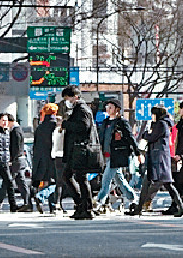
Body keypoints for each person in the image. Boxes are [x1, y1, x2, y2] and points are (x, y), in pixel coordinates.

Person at [129, 106, 183, 216]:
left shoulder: (161, 124)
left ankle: (181, 205)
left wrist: (146, 134)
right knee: (152, 183)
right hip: (157, 158)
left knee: (165, 184)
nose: (151, 117)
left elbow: (152, 137)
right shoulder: (162, 124)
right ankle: (139, 207)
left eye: (153, 114)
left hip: (159, 159)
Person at [95, 100, 140, 212]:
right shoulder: (105, 122)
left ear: (117, 109)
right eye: (107, 107)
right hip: (105, 155)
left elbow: (130, 137)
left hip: (117, 155)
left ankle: (98, 202)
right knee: (119, 180)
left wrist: (137, 152)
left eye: (111, 107)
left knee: (106, 179)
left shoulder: (121, 122)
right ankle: (133, 198)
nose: (108, 109)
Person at [61, 85, 96, 220]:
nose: (67, 101)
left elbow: (83, 127)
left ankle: (86, 207)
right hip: (75, 149)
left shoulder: (82, 109)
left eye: (68, 98)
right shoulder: (77, 109)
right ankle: (81, 205)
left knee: (79, 178)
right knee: (71, 177)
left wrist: (66, 124)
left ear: (76, 96)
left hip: (80, 149)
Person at [0, 113, 21, 213]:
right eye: (3, 120)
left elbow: (7, 148)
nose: (5, 122)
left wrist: (8, 159)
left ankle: (13, 206)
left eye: (6, 120)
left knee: (9, 183)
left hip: (4, 162)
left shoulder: (7, 132)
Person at [31, 104, 58, 214]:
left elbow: (35, 145)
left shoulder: (40, 127)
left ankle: (52, 207)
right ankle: (42, 197)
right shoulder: (56, 126)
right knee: (56, 182)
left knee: (48, 181)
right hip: (54, 158)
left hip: (41, 159)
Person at [7, 114, 33, 212]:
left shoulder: (15, 131)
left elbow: (16, 147)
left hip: (16, 161)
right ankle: (27, 203)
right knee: (21, 182)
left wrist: (12, 159)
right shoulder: (18, 130)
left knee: (8, 181)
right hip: (20, 160)